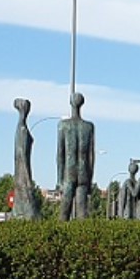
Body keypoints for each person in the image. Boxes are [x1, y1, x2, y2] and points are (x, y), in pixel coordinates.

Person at [57, 92, 96, 220]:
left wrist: (59, 179)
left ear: (71, 103)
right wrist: (90, 179)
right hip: (83, 172)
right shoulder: (88, 127)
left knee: (64, 212)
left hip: (69, 172)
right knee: (82, 213)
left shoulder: (63, 125)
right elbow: (91, 157)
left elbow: (60, 154)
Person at [11, 98, 42, 220]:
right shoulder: (22, 129)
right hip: (22, 176)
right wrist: (28, 179)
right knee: (29, 211)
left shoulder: (22, 127)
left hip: (21, 175)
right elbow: (21, 154)